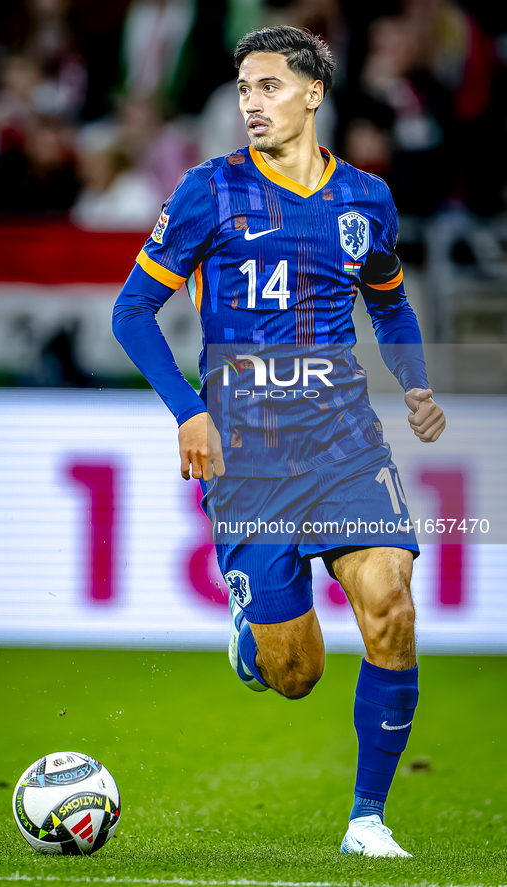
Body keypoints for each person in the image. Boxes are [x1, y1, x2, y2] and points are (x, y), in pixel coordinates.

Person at [113, 25, 446, 858]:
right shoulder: (206, 192)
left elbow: (390, 301)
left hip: (342, 440)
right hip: (246, 453)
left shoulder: (364, 199)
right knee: (296, 674)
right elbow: (130, 314)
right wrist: (189, 411)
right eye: (242, 88)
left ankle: (367, 819)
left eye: (266, 86)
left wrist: (412, 381)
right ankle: (255, 639)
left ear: (310, 94)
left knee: (390, 603)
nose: (249, 102)